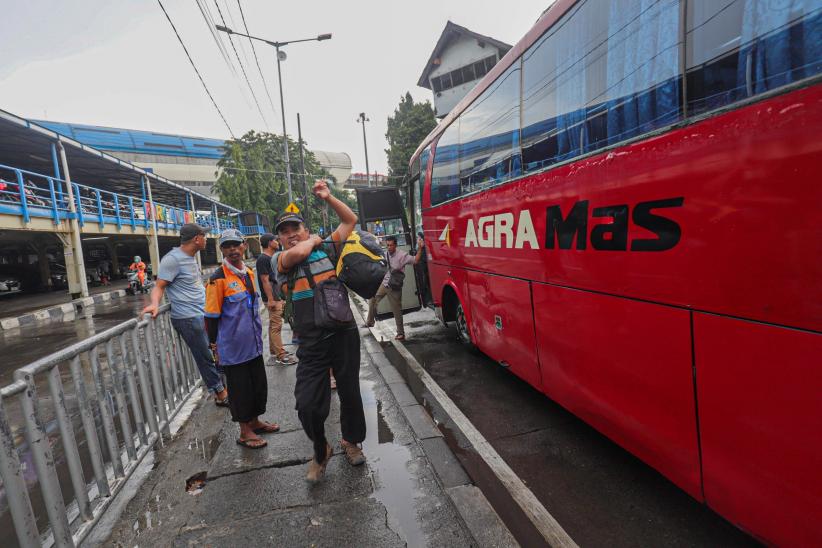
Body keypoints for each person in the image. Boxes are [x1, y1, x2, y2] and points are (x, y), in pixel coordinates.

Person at [273, 180, 366, 483]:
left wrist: (328, 197)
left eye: (295, 228)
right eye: (284, 232)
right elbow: (296, 255)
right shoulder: (280, 260)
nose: (290, 235)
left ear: (303, 227)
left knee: (350, 391)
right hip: (311, 342)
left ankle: (351, 441)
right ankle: (320, 448)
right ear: (279, 238)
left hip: (343, 332)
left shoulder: (329, 248)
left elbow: (350, 220)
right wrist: (311, 240)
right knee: (308, 405)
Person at [206, 229, 279, 449]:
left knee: (257, 386)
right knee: (240, 391)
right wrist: (214, 345)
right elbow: (210, 317)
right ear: (222, 250)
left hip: (253, 344)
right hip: (233, 347)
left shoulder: (248, 272)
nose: (232, 249)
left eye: (236, 245)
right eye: (227, 246)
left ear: (244, 245)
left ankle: (255, 422)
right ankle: (245, 432)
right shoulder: (217, 279)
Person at [142, 224, 228, 407]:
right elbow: (159, 286)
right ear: (196, 239)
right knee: (204, 356)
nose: (206, 239)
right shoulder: (172, 259)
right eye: (204, 236)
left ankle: (222, 388)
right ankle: (220, 393)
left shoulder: (190, 258)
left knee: (215, 351)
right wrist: (155, 304)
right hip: (188, 318)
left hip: (202, 314)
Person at [366, 235, 425, 341]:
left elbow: (415, 260)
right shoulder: (385, 254)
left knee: (396, 310)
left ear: (395, 245)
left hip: (395, 286)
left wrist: (420, 248)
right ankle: (370, 321)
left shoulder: (402, 255)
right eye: (387, 245)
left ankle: (401, 333)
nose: (389, 247)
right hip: (385, 283)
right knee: (372, 299)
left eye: (391, 245)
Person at [256, 233, 298, 367]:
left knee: (273, 325)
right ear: (269, 243)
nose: (277, 241)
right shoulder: (263, 259)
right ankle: (281, 355)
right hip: (272, 297)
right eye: (275, 240)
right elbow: (265, 280)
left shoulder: (270, 257)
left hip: (276, 296)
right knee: (276, 326)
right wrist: (271, 300)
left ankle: (274, 351)